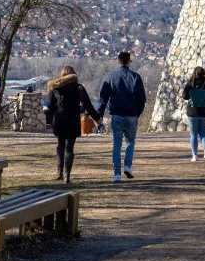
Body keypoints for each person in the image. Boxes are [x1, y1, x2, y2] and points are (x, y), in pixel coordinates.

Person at [44, 65, 101, 185]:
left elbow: (49, 104)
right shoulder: (79, 88)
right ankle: (67, 176)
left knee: (60, 144)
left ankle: (59, 172)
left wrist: (57, 110)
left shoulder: (55, 87)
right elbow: (88, 105)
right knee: (70, 147)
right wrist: (96, 118)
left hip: (59, 119)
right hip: (73, 119)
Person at [98, 50, 146, 182]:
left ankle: (117, 174)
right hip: (131, 115)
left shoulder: (111, 77)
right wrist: (138, 113)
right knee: (130, 142)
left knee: (116, 145)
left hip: (117, 115)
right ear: (129, 62)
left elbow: (103, 98)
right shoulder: (136, 77)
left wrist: (100, 115)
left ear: (118, 61)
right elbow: (142, 98)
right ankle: (127, 166)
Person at [182, 66, 205, 161]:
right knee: (203, 133)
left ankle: (195, 155)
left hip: (192, 113)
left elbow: (185, 96)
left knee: (193, 134)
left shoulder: (190, 83)